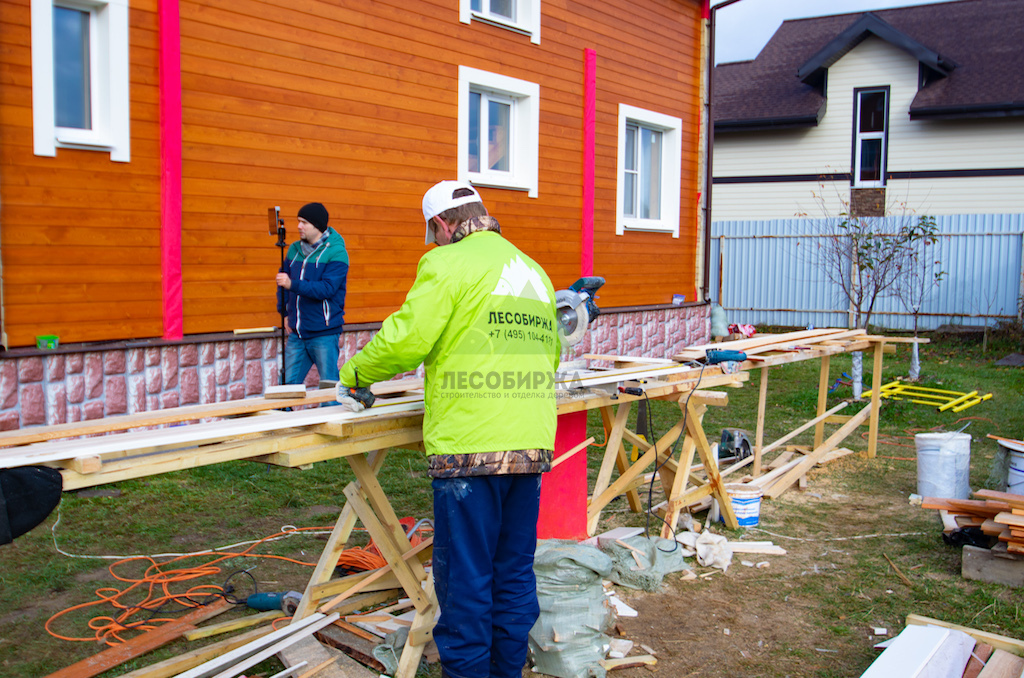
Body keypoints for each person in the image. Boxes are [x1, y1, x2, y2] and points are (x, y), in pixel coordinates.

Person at [336, 181, 560, 678]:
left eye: (432, 233)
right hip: (530, 446)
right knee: (512, 576)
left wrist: (355, 374)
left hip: (470, 449)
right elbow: (552, 356)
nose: (433, 242)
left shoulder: (446, 263)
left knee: (466, 585)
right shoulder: (533, 271)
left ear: (441, 224)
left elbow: (407, 339)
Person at [276, 202, 349, 387]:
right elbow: (282, 283)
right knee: (287, 389)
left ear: (317, 225)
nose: (299, 226)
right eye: (298, 221)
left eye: (304, 222)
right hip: (297, 334)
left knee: (329, 388)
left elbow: (326, 289)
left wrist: (293, 284)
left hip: (324, 333)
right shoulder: (293, 250)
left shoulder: (336, 252)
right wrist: (284, 313)